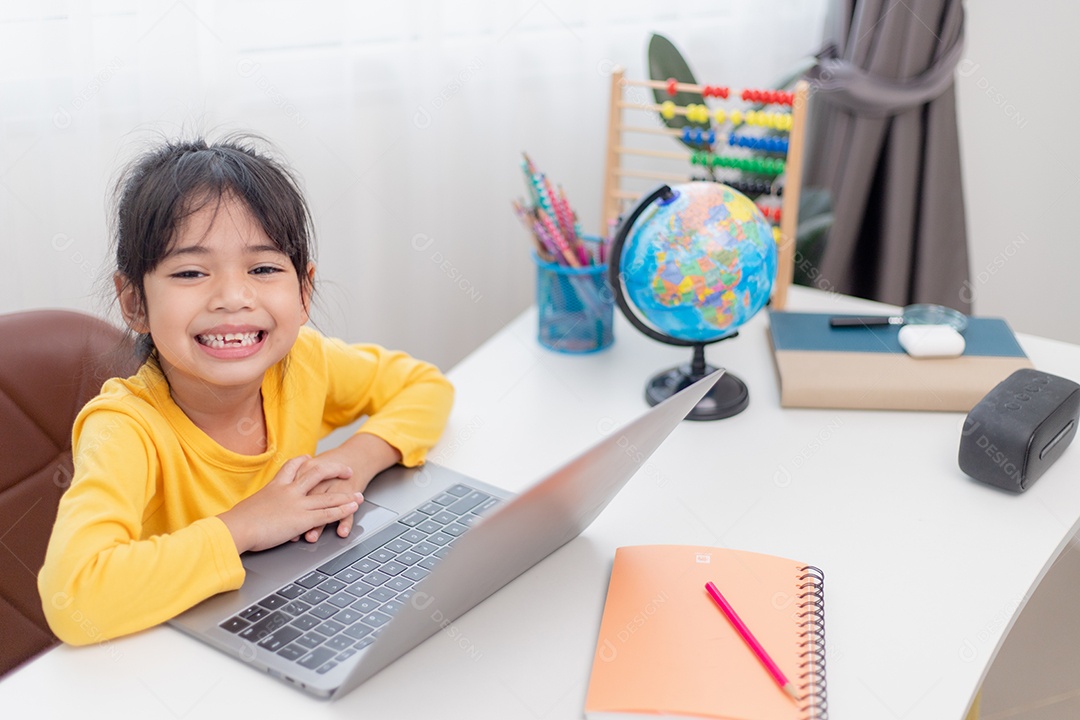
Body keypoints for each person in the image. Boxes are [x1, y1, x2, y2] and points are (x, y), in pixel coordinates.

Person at [37, 135, 454, 645]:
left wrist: (355, 461)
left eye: (263, 269)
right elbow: (75, 595)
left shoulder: (302, 362)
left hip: (290, 615)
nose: (233, 297)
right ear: (135, 303)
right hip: (171, 653)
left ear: (304, 291)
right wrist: (246, 525)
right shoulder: (125, 428)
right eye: (190, 272)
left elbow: (423, 386)